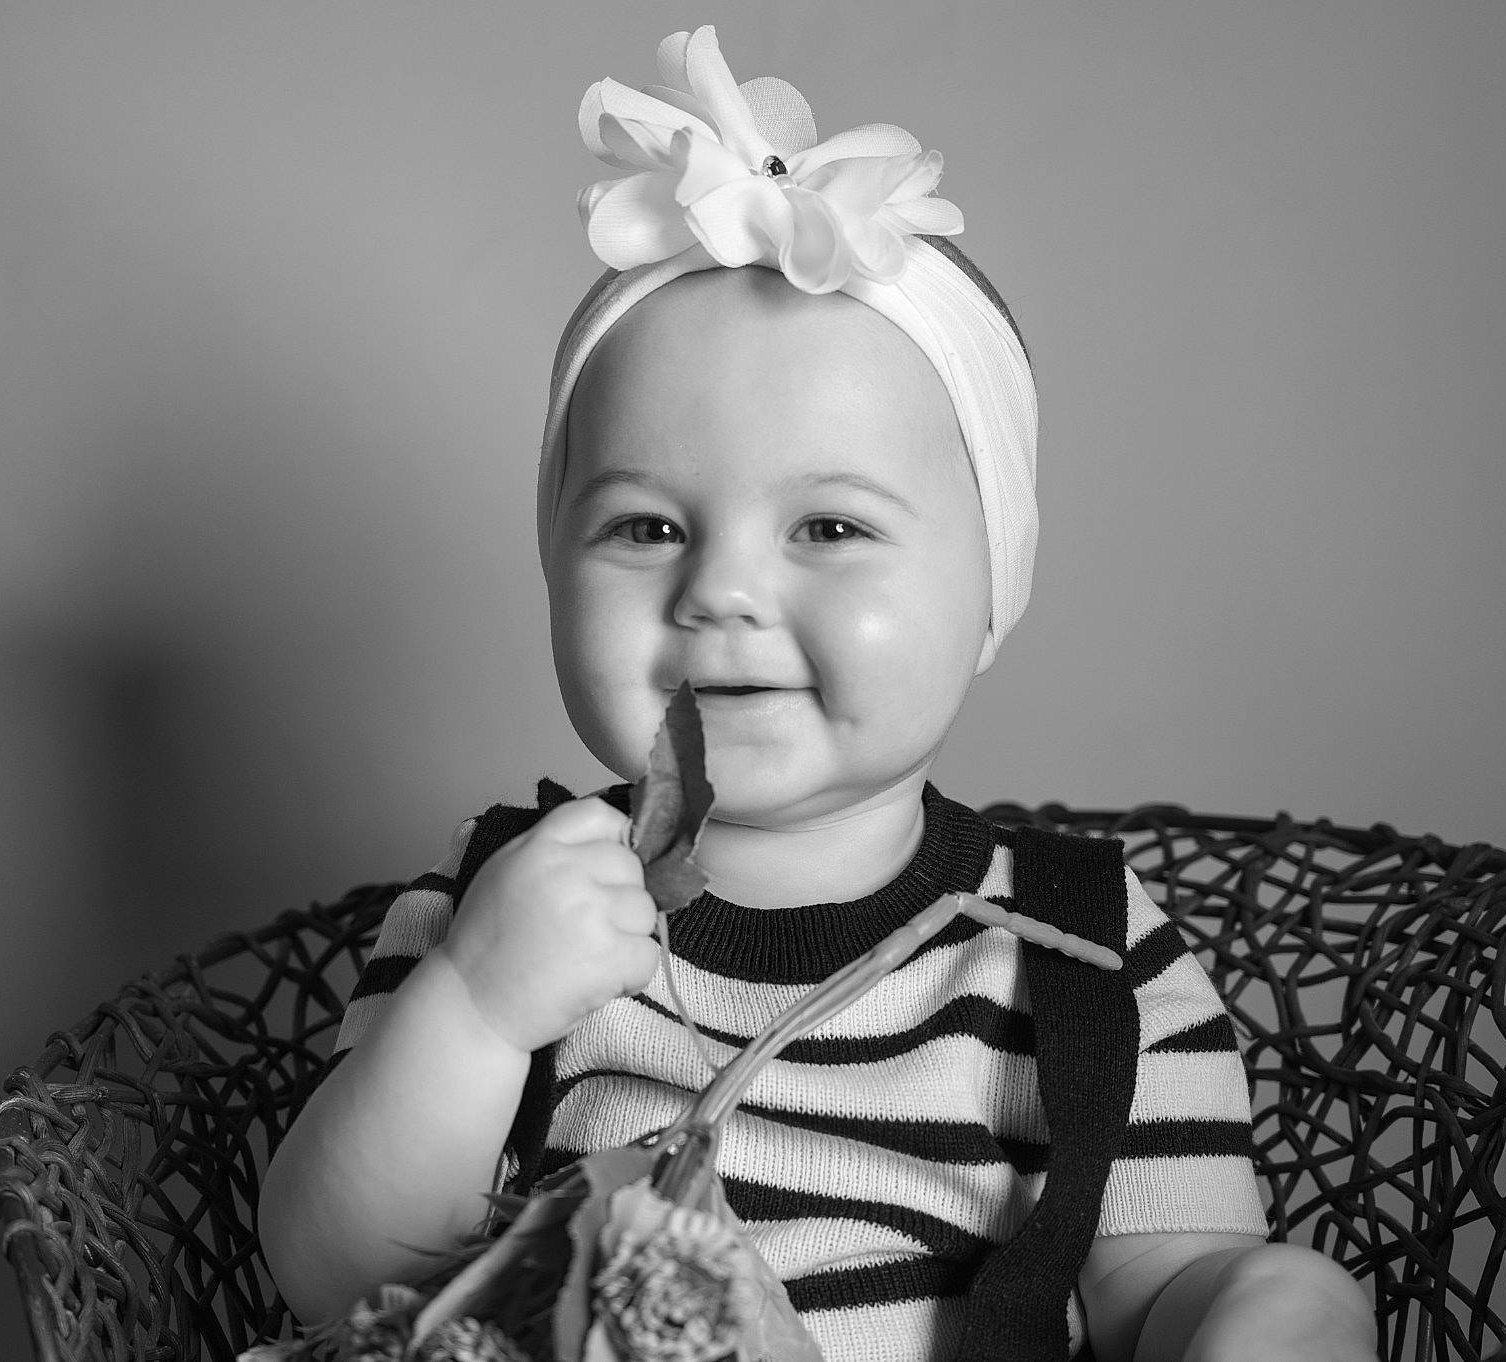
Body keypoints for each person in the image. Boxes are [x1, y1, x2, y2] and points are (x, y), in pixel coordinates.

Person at [258, 25, 1375, 1362]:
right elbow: (339, 1282)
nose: (723, 589)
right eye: (646, 528)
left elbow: (1164, 1285)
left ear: (988, 592)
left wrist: (1267, 1307)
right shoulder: (501, 904)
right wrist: (479, 1011)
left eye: (831, 528)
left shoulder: (1085, 952)